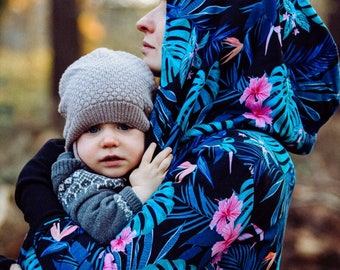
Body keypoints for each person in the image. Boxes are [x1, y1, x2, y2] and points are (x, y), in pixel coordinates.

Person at [14, 0, 339, 269]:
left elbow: (108, 265)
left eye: (170, 8)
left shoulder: (237, 157)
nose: (144, 21)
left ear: (220, 29)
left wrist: (44, 209)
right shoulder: (199, 137)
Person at [50, 48, 172, 244]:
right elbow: (101, 225)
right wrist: (140, 190)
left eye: (124, 126)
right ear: (73, 140)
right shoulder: (74, 179)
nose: (109, 141)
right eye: (92, 129)